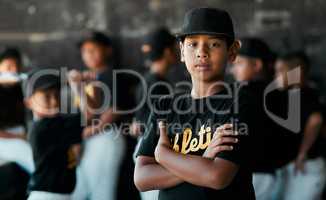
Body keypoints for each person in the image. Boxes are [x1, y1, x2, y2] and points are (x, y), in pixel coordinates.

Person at [134, 7, 258, 200]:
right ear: (182, 51)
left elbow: (217, 176)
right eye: (192, 44)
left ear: (232, 51)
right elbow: (141, 178)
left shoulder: (240, 102)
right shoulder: (165, 105)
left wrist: (165, 156)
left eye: (214, 44)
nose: (202, 53)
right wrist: (202, 160)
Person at [70, 31, 134, 200]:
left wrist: (82, 134)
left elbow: (111, 114)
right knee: (82, 191)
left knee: (101, 193)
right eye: (85, 51)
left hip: (106, 137)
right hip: (91, 140)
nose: (89, 54)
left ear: (107, 50)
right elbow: (88, 114)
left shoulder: (111, 75)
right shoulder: (89, 78)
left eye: (93, 49)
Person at [131, 27, 177, 200]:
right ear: (167, 51)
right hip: (152, 152)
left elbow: (138, 122)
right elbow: (153, 125)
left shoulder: (148, 79)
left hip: (145, 149)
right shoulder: (158, 84)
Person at [231, 38, 280, 200]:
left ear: (257, 65)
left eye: (239, 63)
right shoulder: (277, 92)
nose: (233, 70)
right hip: (269, 174)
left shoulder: (245, 93)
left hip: (254, 176)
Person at [273, 51, 325, 200]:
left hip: (306, 165)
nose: (275, 76)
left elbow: (316, 120)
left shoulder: (305, 94)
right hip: (297, 166)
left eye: (280, 71)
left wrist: (302, 153)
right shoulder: (291, 95)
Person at [24, 70, 84, 200]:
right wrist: (76, 86)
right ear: (29, 103)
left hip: (61, 195)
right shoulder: (42, 127)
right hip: (46, 195)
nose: (54, 101)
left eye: (57, 95)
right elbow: (87, 115)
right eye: (46, 96)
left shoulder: (58, 124)